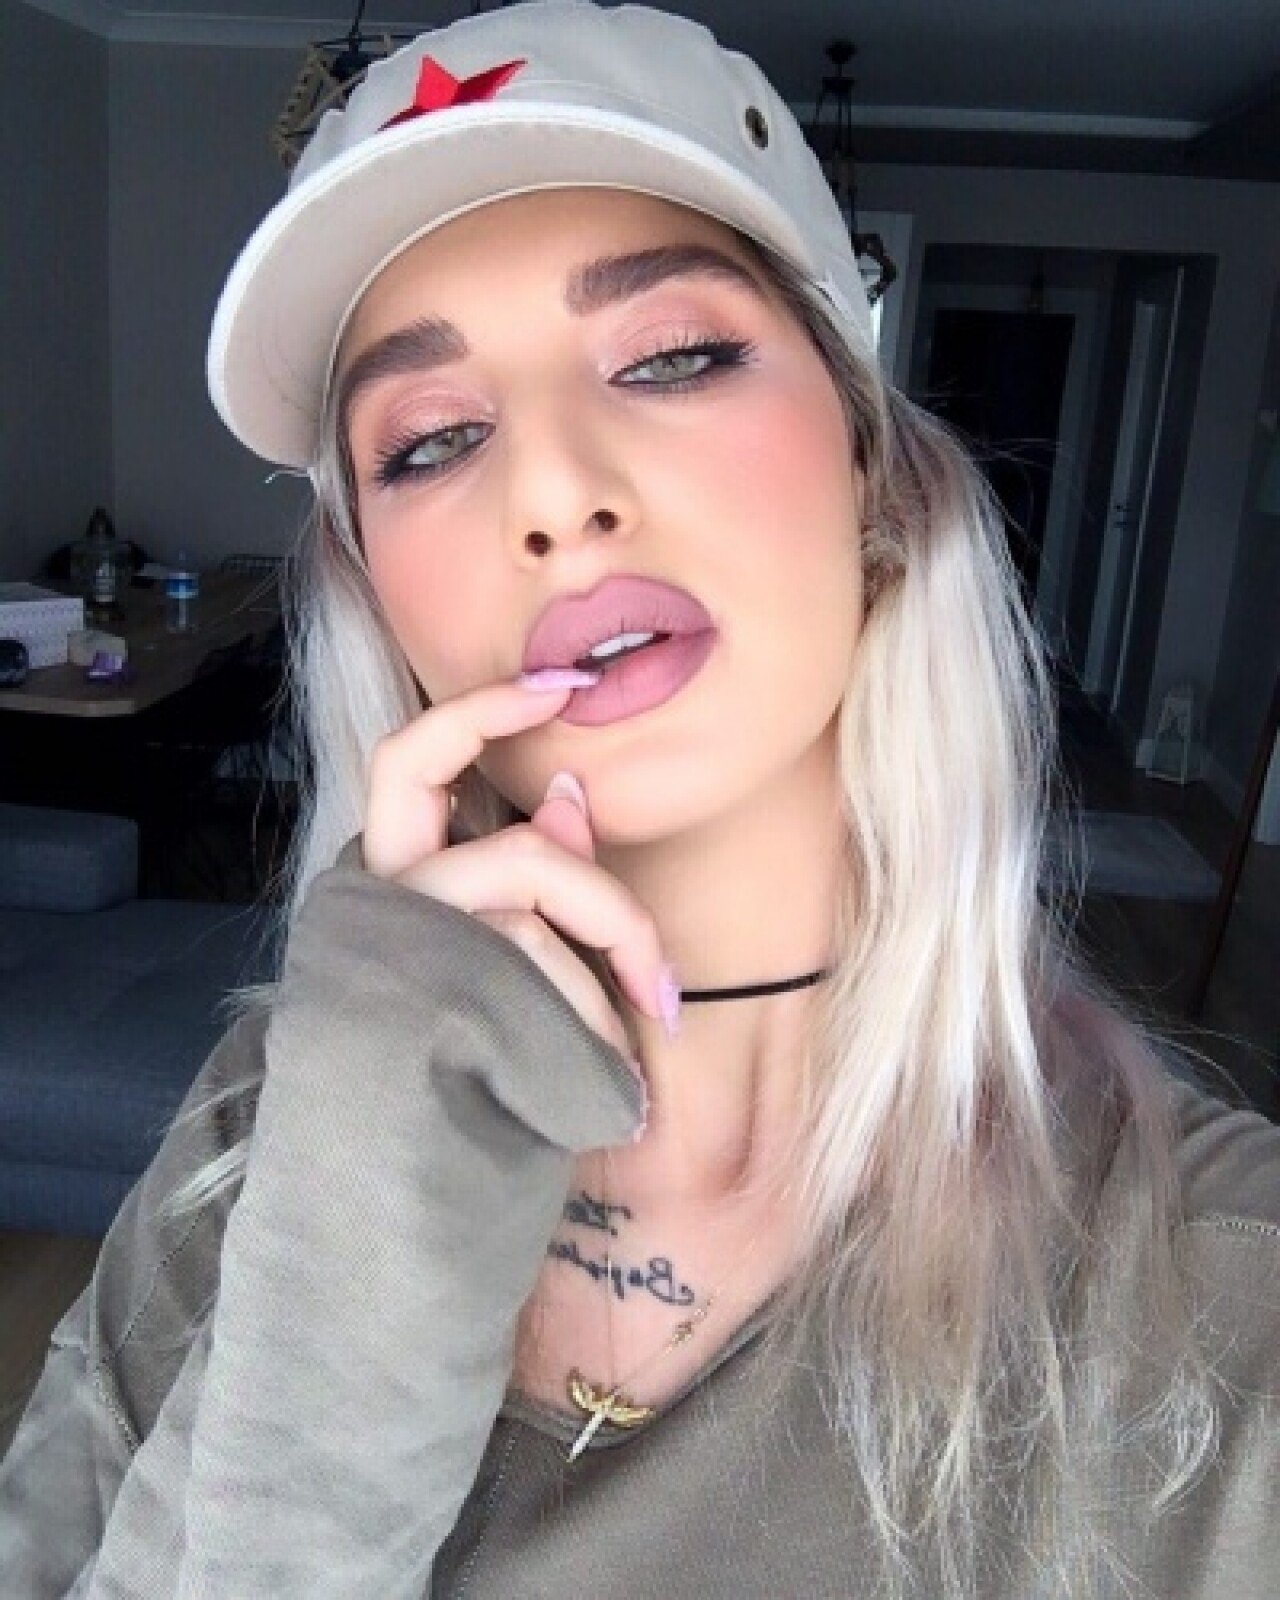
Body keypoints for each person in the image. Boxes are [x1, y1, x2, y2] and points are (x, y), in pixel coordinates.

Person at [2, 4, 1277, 1595]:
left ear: (875, 476)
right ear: (377, 594)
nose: (551, 490)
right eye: (432, 440)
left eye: (673, 357)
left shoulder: (1221, 1298)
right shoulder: (285, 1111)